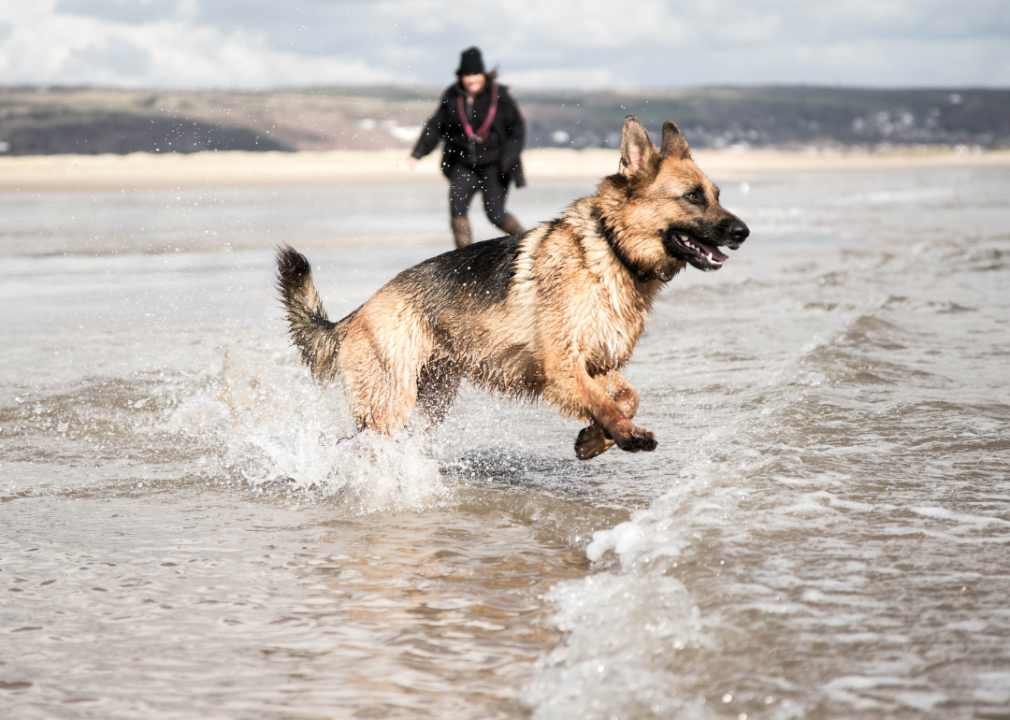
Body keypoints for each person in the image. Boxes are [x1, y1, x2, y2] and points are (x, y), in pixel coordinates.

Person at [410, 47, 526, 248]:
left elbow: (517, 130)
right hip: (463, 164)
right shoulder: (453, 96)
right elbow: (436, 125)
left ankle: (527, 243)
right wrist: (418, 152)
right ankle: (464, 261)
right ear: (461, 77)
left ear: (483, 74)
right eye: (467, 76)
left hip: (496, 165)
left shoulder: (500, 96)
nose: (472, 80)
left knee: (496, 215)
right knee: (457, 211)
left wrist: (508, 159)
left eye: (475, 75)